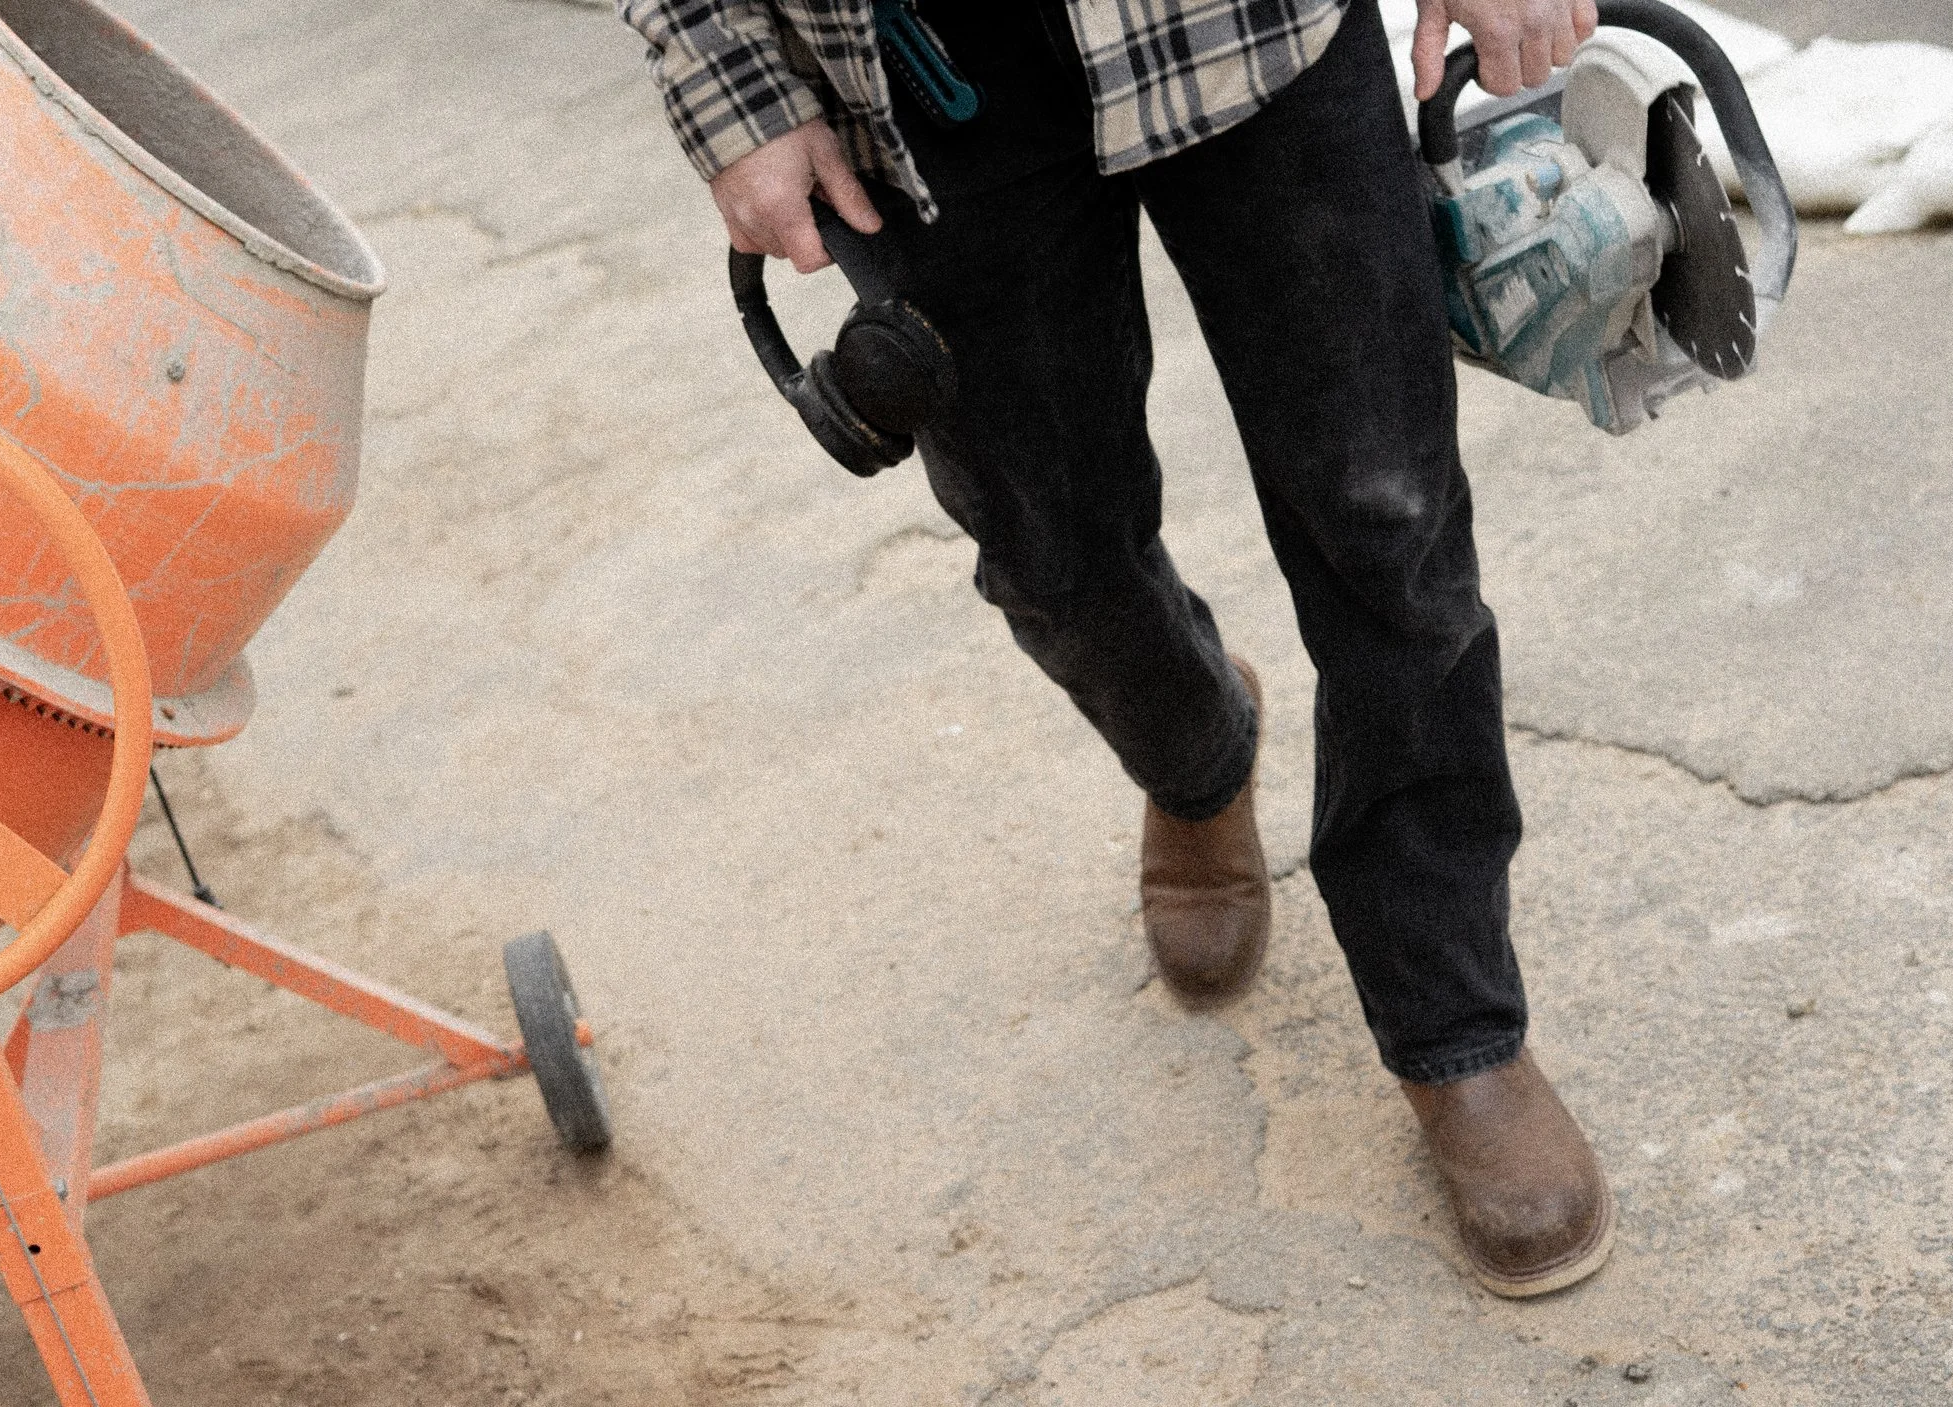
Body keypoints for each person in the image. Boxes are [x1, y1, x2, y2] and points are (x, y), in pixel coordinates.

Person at [616, 0, 1614, 1298]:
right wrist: (727, 79)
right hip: (923, 84)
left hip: (1249, 30)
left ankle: (1454, 1023)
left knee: (1389, 527)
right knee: (1052, 556)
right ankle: (1200, 754)